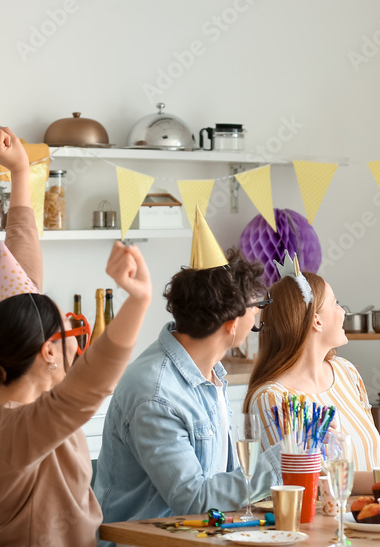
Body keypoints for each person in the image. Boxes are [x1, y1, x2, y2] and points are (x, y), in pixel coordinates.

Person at [0, 126, 152, 547]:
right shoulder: (17, 428)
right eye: (67, 332)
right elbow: (88, 387)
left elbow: (22, 284)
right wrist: (138, 301)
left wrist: (19, 175)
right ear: (48, 350)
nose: (76, 340)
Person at [94, 209, 281, 540]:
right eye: (255, 308)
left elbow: (216, 485)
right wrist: (285, 460)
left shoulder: (210, 374)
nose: (256, 316)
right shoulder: (156, 393)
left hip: (200, 537)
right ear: (231, 323)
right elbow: (194, 499)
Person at [244, 253, 380, 493]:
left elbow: (375, 459)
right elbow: (316, 481)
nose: (342, 311)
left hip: (374, 514)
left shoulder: (346, 372)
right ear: (316, 321)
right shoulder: (273, 398)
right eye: (335, 303)